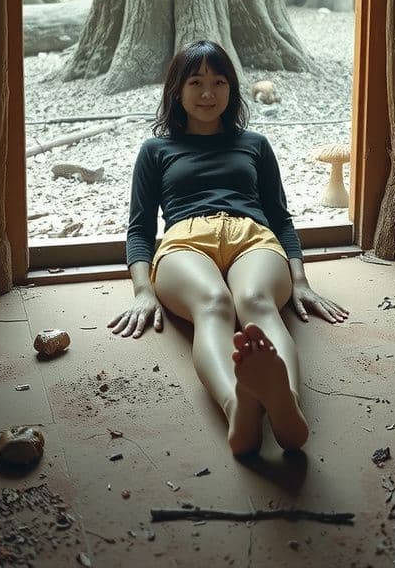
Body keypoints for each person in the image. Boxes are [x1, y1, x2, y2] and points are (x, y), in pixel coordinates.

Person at [108, 40, 349, 456]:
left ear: (232, 89)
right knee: (214, 302)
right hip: (185, 240)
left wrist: (300, 280)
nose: (207, 94)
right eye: (196, 82)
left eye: (219, 82)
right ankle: (238, 407)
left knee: (256, 301)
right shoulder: (155, 150)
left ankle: (285, 405)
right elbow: (140, 229)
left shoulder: (255, 144)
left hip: (252, 236)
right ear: (177, 91)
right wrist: (143, 290)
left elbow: (280, 217)